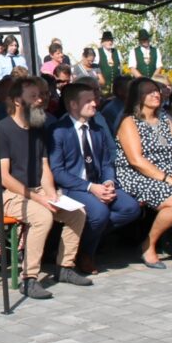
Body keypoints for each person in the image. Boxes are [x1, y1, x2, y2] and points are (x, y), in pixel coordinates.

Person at [0, 77, 91, 299]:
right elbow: (4, 176)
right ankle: (29, 278)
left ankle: (65, 267)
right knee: (42, 217)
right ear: (17, 101)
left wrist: (50, 194)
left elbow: (45, 167)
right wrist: (38, 198)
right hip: (10, 194)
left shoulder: (37, 128)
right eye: (33, 96)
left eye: (40, 95)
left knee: (77, 213)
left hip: (38, 190)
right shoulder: (3, 129)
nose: (40, 100)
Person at [114, 77, 172, 268]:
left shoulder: (165, 119)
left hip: (169, 173)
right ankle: (148, 245)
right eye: (149, 91)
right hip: (139, 175)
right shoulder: (129, 121)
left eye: (156, 90)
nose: (156, 94)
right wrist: (167, 179)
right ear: (137, 96)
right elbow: (136, 160)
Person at [49, 82, 141, 273]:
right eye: (88, 101)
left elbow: (106, 162)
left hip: (99, 183)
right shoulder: (59, 131)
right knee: (99, 213)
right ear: (74, 104)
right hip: (74, 187)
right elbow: (58, 171)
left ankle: (83, 240)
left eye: (94, 100)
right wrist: (91, 187)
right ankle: (86, 253)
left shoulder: (97, 129)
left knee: (130, 208)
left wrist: (108, 182)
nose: (95, 104)